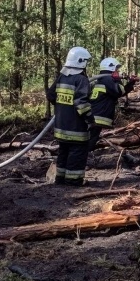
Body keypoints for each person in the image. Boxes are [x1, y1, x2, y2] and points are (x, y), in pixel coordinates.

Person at [46, 46, 95, 186]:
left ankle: (60, 179)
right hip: (76, 128)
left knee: (63, 152)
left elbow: (50, 95)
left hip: (61, 126)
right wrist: (90, 119)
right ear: (81, 62)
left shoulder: (62, 77)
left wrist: (62, 107)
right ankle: (73, 181)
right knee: (77, 153)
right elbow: (81, 103)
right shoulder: (81, 80)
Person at [88, 57, 140, 152]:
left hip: (95, 115)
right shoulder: (108, 79)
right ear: (111, 68)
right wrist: (117, 79)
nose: (117, 71)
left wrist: (131, 82)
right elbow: (119, 91)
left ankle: (82, 158)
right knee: (90, 140)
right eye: (116, 69)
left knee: (90, 138)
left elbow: (121, 92)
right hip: (98, 116)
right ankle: (82, 160)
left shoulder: (103, 79)